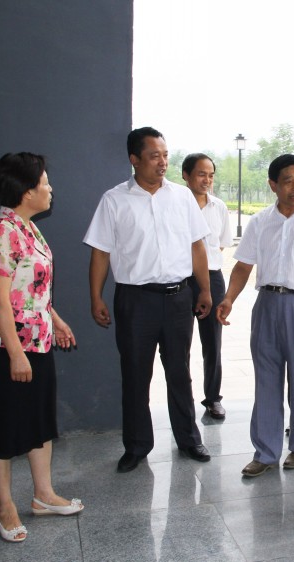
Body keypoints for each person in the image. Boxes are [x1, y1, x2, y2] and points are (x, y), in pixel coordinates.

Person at [0, 152, 83, 543]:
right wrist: (15, 353)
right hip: (1, 347)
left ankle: (43, 495)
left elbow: (32, 290)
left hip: (38, 341)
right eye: (44, 182)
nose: (50, 189)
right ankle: (5, 507)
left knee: (38, 420)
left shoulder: (28, 228)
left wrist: (55, 319)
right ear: (26, 190)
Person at [84, 127, 213, 473]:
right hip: (135, 301)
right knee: (135, 375)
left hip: (178, 298)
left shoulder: (182, 197)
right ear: (134, 159)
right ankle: (137, 445)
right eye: (154, 156)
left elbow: (197, 246)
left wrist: (204, 289)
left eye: (165, 155)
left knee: (179, 372)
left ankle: (189, 439)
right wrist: (96, 297)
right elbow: (100, 253)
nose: (162, 162)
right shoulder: (114, 200)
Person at [217, 154, 294, 477]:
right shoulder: (260, 222)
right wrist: (228, 298)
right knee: (266, 380)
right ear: (273, 185)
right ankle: (265, 452)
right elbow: (243, 266)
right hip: (267, 305)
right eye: (288, 181)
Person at [182, 153, 232, 420]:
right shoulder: (176, 204)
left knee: (213, 342)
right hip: (181, 280)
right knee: (180, 344)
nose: (207, 180)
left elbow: (220, 244)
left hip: (213, 279)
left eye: (211, 175)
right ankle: (183, 400)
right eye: (201, 174)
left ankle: (213, 398)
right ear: (186, 175)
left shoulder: (219, 207)